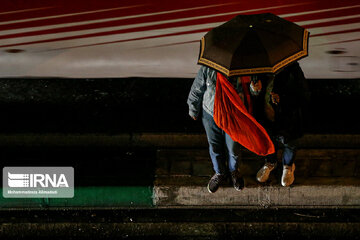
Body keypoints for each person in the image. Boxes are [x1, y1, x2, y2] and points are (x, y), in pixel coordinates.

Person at [187, 65, 263, 193]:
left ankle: (234, 171)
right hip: (211, 113)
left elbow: (253, 92)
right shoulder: (208, 67)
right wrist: (193, 109)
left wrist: (255, 88)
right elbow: (197, 88)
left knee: (233, 149)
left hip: (234, 115)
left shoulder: (245, 68)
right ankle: (219, 172)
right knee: (215, 147)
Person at [254, 62, 308, 187]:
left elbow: (304, 95)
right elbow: (256, 93)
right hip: (266, 115)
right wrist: (254, 90)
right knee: (269, 141)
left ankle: (288, 166)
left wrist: (283, 99)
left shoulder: (292, 69)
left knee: (289, 143)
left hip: (288, 118)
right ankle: (271, 163)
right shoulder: (261, 67)